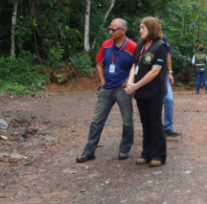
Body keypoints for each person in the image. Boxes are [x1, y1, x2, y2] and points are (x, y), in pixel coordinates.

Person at [76, 18, 137, 163]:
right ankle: (89, 151)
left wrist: (129, 81)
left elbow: (136, 67)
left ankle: (124, 149)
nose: (110, 32)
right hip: (107, 89)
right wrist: (103, 83)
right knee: (96, 120)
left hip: (122, 90)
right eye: (109, 29)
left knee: (127, 120)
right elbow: (99, 64)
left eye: (113, 30)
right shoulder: (106, 45)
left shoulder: (133, 47)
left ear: (123, 31)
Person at [125, 17, 169, 167]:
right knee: (145, 122)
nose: (140, 30)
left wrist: (135, 86)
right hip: (140, 91)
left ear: (151, 28)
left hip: (154, 92)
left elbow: (154, 72)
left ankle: (159, 154)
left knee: (155, 122)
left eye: (143, 27)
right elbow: (133, 66)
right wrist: (131, 83)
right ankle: (147, 152)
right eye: (140, 28)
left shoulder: (160, 46)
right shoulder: (140, 45)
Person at [161, 34, 182, 138]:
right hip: (149, 75)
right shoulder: (143, 40)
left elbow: (167, 54)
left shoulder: (163, 38)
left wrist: (170, 72)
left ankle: (168, 127)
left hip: (163, 74)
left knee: (168, 99)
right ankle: (154, 128)